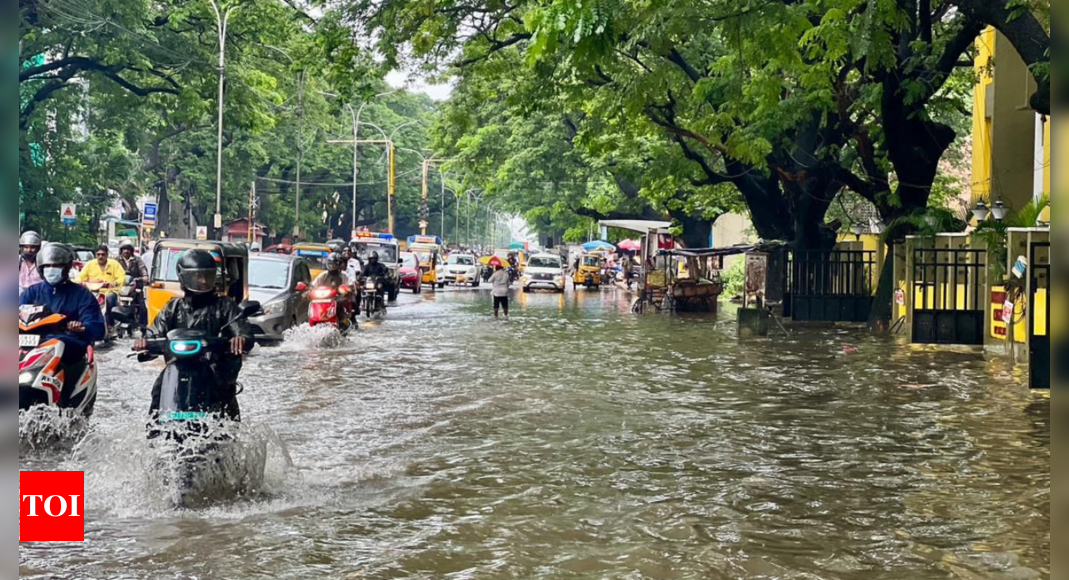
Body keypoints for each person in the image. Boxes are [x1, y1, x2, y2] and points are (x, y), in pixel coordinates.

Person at [134, 250, 253, 420]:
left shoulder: (225, 306)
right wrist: (144, 342)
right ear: (184, 278)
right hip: (178, 368)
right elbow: (155, 332)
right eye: (198, 276)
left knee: (225, 396)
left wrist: (240, 338)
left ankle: (228, 434)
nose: (203, 281)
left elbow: (241, 328)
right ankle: (154, 431)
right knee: (159, 388)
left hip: (215, 371)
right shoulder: (173, 307)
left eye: (207, 276)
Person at [19, 243, 107, 364]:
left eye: (56, 266)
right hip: (32, 347)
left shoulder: (82, 295)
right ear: (41, 268)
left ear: (65, 268)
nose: (51, 269)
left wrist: (81, 327)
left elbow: (98, 328)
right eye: (48, 266)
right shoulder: (31, 292)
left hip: (68, 347)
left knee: (58, 342)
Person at [76, 245, 126, 328]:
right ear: (95, 255)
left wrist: (116, 282)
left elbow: (122, 277)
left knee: (109, 300)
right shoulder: (89, 264)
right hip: (93, 292)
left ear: (107, 255)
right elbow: (80, 278)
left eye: (103, 254)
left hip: (109, 291)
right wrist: (78, 283)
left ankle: (110, 323)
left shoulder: (114, 264)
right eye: (98, 254)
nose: (100, 256)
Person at [117, 242, 150, 325]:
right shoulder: (116, 260)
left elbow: (142, 268)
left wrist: (144, 276)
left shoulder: (137, 259)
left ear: (131, 251)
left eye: (128, 249)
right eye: (124, 249)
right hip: (119, 287)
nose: (126, 251)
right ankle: (110, 323)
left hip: (134, 286)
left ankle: (143, 326)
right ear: (121, 250)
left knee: (142, 306)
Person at [18, 231, 44, 296]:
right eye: (26, 247)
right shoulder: (18, 260)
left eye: (32, 247)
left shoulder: (43, 262)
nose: (29, 250)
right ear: (22, 248)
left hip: (38, 295)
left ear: (38, 248)